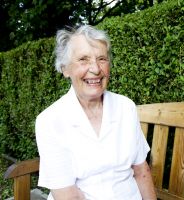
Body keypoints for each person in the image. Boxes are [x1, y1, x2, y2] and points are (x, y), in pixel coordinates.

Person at [35, 25, 157, 200]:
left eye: (102, 59)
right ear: (65, 69)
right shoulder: (50, 121)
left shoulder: (125, 107)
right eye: (83, 59)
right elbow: (68, 196)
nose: (95, 68)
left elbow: (141, 171)